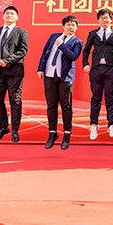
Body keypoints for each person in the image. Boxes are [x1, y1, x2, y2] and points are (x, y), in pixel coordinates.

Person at [37, 15, 83, 150]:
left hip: (65, 77)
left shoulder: (77, 42)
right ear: (63, 26)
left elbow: (73, 56)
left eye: (73, 25)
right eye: (68, 24)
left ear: (77, 28)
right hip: (49, 74)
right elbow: (45, 52)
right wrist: (40, 68)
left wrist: (61, 45)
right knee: (51, 105)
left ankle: (67, 135)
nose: (71, 27)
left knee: (66, 106)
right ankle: (52, 133)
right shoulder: (54, 36)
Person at [0, 6, 28, 143]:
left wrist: (7, 61)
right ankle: (3, 127)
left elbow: (23, 51)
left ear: (17, 17)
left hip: (14, 72)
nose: (9, 15)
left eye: (12, 13)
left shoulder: (21, 32)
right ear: (3, 16)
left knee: (15, 100)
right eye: (7, 13)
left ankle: (15, 130)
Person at [82, 9, 113, 140]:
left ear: (111, 19)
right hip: (96, 69)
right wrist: (85, 63)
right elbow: (86, 50)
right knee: (96, 97)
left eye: (107, 18)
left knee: (111, 97)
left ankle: (111, 125)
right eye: (102, 18)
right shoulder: (93, 34)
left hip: (110, 69)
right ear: (98, 20)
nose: (104, 20)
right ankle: (93, 125)